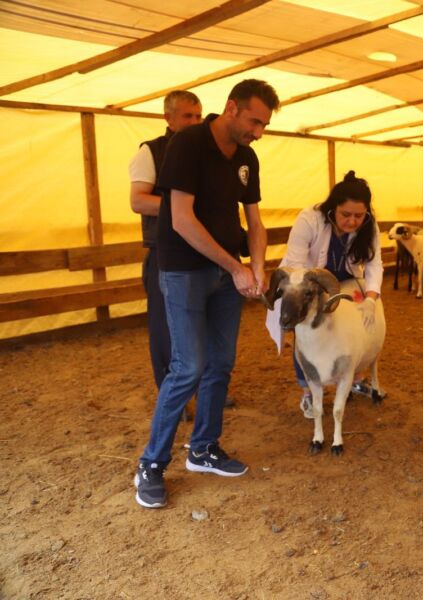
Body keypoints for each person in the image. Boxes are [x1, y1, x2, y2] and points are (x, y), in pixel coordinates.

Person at [134, 79, 280, 509]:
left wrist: (257, 265)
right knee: (188, 366)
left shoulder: (248, 157)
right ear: (232, 108)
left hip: (226, 277)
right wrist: (235, 266)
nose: (259, 131)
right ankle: (151, 465)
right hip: (184, 271)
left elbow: (254, 222)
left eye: (265, 124)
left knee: (221, 362)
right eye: (255, 121)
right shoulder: (187, 144)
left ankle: (203, 449)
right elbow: (180, 218)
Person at [264, 171, 383, 416]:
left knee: (350, 329)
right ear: (333, 208)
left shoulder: (369, 227)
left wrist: (371, 297)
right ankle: (308, 392)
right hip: (307, 283)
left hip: (345, 280)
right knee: (307, 333)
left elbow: (374, 264)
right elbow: (296, 263)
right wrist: (307, 296)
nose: (352, 221)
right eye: (346, 214)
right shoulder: (309, 219)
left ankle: (354, 377)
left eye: (359, 216)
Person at [128, 90, 202, 391]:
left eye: (198, 116)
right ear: (168, 118)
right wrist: (183, 207)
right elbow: (138, 201)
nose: (195, 122)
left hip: (200, 249)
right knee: (166, 327)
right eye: (188, 116)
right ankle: (174, 391)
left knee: (203, 321)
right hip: (165, 252)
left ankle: (208, 387)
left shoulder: (206, 152)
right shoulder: (151, 152)